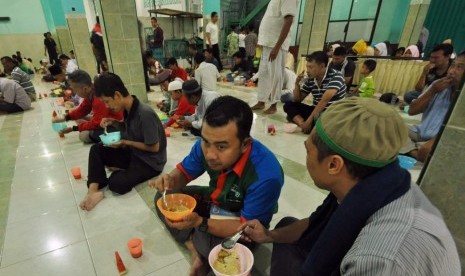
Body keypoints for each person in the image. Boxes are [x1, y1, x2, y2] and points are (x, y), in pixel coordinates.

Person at [239, 97, 461, 276]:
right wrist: (269, 236)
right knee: (288, 227)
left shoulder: (379, 260)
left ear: (334, 164)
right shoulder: (379, 182)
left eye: (308, 151)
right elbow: (316, 224)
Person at [149, 96, 284, 275]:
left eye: (221, 147)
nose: (210, 155)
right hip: (217, 198)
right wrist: (169, 180)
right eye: (206, 141)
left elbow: (248, 228)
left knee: (228, 257)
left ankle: (203, 247)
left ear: (245, 144)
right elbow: (183, 174)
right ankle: (195, 250)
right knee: (165, 197)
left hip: (243, 221)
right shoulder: (203, 146)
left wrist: (200, 222)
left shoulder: (266, 176)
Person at [79, 73, 167, 211]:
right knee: (97, 149)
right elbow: (130, 127)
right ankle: (93, 191)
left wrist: (125, 142)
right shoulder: (128, 108)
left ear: (117, 95)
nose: (107, 106)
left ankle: (120, 171)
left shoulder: (145, 113)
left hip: (150, 162)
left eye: (107, 101)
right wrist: (115, 122)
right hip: (135, 153)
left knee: (117, 183)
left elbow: (154, 148)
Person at [400, 51, 465, 162]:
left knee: (427, 151)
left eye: (460, 67)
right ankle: (414, 152)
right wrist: (433, 90)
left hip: (443, 139)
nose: (452, 71)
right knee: (385, 126)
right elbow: (412, 111)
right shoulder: (438, 84)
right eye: (453, 65)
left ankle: (409, 149)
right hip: (419, 132)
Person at [251, 0, 298, 114]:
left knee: (275, 76)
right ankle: (261, 101)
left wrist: (277, 47)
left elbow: (289, 20)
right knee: (264, 74)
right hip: (268, 44)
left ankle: (273, 105)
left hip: (276, 45)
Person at [51, 70, 123, 143]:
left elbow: (97, 123)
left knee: (83, 135)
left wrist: (74, 128)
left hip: (115, 124)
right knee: (80, 120)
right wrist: (65, 117)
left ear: (85, 88)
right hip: (104, 119)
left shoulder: (98, 97)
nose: (74, 92)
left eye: (75, 90)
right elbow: (83, 109)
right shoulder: (91, 90)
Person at [283, 51, 346, 133]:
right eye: (307, 67)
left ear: (322, 66)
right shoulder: (311, 79)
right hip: (316, 111)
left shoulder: (336, 76)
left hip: (332, 114)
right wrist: (297, 83)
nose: (307, 71)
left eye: (311, 67)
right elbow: (297, 100)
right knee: (288, 105)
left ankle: (312, 126)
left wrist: (308, 121)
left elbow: (324, 101)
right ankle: (304, 124)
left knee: (326, 123)